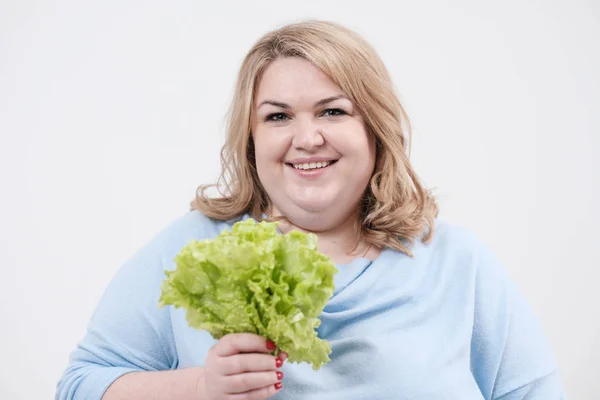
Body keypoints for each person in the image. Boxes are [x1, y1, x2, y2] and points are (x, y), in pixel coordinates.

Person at [56, 20, 566, 400]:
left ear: (375, 129)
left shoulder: (455, 262)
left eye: (333, 111)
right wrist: (200, 386)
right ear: (251, 138)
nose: (307, 138)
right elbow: (80, 386)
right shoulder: (197, 246)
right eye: (278, 116)